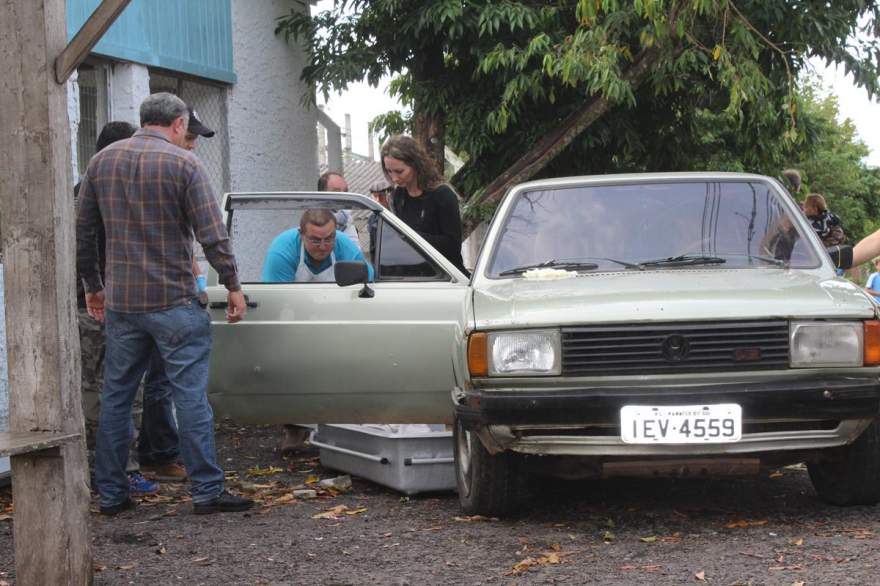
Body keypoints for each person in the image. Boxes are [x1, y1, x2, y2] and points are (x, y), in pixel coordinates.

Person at [76, 92, 252, 515]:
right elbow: (212, 233)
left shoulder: (101, 163)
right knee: (189, 394)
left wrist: (93, 285)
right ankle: (207, 491)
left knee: (116, 396)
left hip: (123, 302)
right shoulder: (185, 164)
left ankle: (113, 494)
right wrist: (232, 283)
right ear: (177, 124)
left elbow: (84, 232)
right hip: (173, 298)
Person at [380, 135, 467, 273]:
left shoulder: (442, 195)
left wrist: (410, 236)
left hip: (446, 278)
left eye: (399, 171)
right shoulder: (398, 196)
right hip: (413, 277)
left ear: (416, 165)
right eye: (389, 171)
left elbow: (452, 246)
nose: (394, 178)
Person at [262, 208, 373, 283]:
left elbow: (367, 277)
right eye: (315, 240)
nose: (322, 246)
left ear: (335, 233)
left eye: (329, 239)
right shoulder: (281, 253)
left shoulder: (344, 245)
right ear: (301, 234)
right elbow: (277, 299)